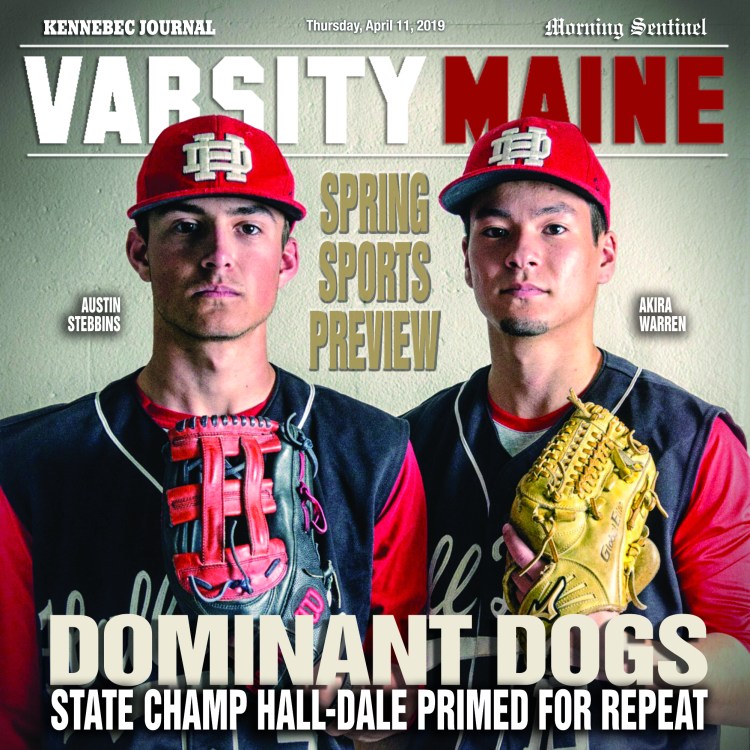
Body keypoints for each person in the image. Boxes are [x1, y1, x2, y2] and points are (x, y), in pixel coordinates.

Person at [0, 115, 427, 750]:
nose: (218, 253)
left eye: (248, 227)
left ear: (286, 258)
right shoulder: (26, 464)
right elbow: (12, 724)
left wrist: (327, 684)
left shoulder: (374, 451)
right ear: (140, 252)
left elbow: (400, 732)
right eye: (185, 227)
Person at [404, 116, 750, 748]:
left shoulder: (693, 441)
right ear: (467, 259)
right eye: (494, 230)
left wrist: (622, 655)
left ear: (605, 254)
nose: (521, 253)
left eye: (554, 227)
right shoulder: (405, 446)